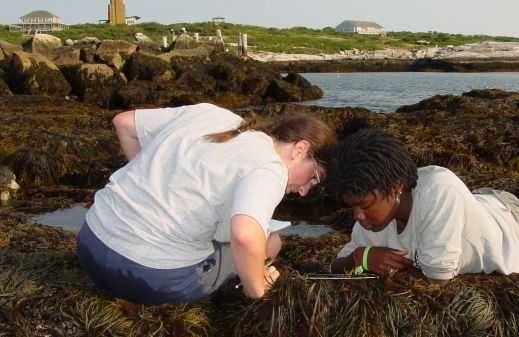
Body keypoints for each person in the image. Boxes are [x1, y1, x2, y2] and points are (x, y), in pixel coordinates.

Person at [76, 103, 336, 304]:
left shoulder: (210, 113)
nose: (303, 191)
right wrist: (256, 287)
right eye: (313, 178)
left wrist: (149, 179)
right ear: (300, 149)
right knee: (271, 241)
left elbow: (123, 123)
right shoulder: (271, 168)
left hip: (91, 244)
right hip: (150, 276)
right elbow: (245, 235)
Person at [328, 129, 519, 285]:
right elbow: (336, 266)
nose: (357, 216)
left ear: (396, 188)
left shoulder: (439, 193)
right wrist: (360, 258)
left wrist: (390, 272)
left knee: (448, 195)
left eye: (364, 206)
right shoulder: (371, 222)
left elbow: (437, 279)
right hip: (471, 202)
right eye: (352, 207)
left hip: (510, 220)